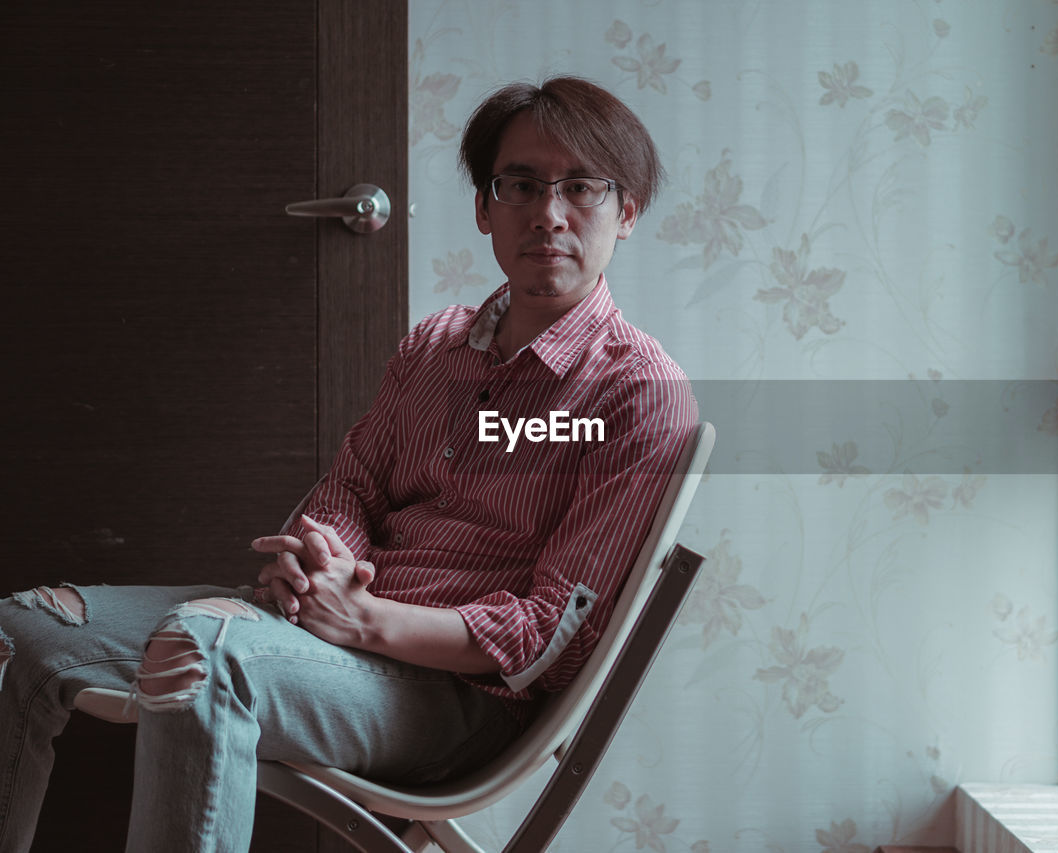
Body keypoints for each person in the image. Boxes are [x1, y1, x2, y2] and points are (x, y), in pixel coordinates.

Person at [0, 75, 695, 852]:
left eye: (582, 188)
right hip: (323, 635)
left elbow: (545, 637)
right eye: (521, 185)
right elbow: (356, 488)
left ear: (627, 211)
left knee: (204, 648)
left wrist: (364, 616)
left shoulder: (638, 394)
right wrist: (323, 557)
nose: (548, 213)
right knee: (19, 629)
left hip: (454, 697)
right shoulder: (435, 343)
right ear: (483, 207)